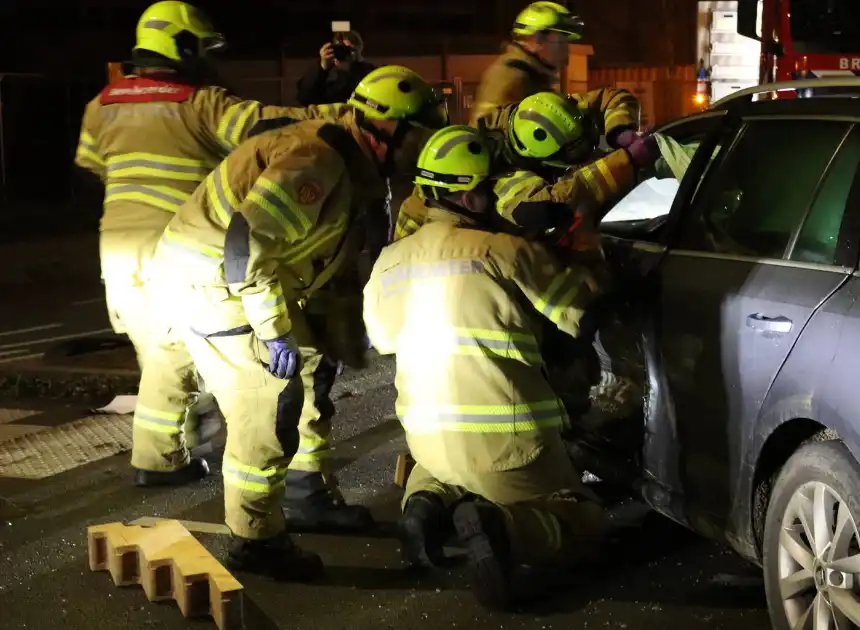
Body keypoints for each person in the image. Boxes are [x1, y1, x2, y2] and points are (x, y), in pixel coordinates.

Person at [148, 65, 446, 580]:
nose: (423, 149)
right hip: (217, 283)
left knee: (311, 370)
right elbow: (248, 244)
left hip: (238, 275)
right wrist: (273, 327)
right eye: (418, 137)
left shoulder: (349, 163)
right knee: (268, 402)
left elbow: (312, 250)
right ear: (386, 131)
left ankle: (306, 490)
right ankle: (255, 538)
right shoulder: (318, 160)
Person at [73, 0, 344, 489]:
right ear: (184, 47)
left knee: (162, 356)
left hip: (116, 254)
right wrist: (345, 115)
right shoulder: (199, 103)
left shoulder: (102, 105)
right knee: (226, 361)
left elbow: (91, 167)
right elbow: (270, 124)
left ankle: (157, 460)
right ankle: (265, 477)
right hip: (178, 249)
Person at [363, 124, 611, 609]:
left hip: (427, 439)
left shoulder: (388, 263)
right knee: (585, 520)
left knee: (440, 470)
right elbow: (580, 312)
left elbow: (383, 339)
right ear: (472, 196)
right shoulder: (506, 252)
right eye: (490, 188)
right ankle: (505, 529)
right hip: (509, 445)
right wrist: (585, 256)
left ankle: (425, 505)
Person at [394, 90, 656, 243]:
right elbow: (552, 203)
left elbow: (612, 97)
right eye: (572, 153)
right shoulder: (501, 176)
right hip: (427, 245)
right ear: (538, 158)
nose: (586, 153)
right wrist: (627, 161)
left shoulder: (546, 114)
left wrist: (619, 127)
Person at [469, 1, 583, 125]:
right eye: (561, 42)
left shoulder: (533, 77)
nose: (566, 50)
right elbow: (490, 133)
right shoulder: (511, 79)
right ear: (537, 39)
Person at [297, 30, 377, 106]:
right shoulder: (322, 74)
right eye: (340, 49)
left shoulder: (368, 71)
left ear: (359, 50)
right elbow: (305, 98)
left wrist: (350, 70)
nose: (344, 54)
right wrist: (322, 67)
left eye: (348, 50)